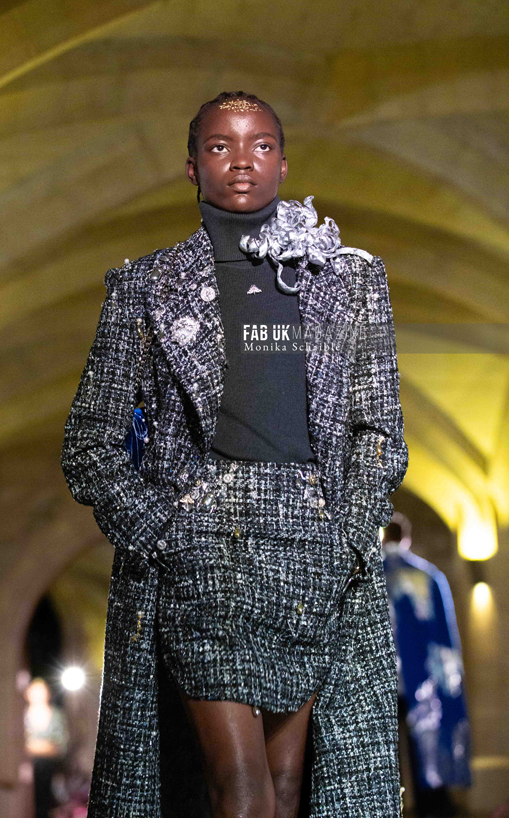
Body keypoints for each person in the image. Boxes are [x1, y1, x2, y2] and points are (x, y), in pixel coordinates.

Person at [61, 91, 408, 817]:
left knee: (287, 788)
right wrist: (167, 532)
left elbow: (378, 427)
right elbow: (89, 441)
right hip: (204, 553)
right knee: (241, 787)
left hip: (313, 552)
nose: (241, 161)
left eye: (260, 145)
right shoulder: (146, 287)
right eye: (220, 146)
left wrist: (348, 534)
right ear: (192, 166)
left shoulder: (350, 279)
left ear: (283, 163)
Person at [382, 514, 471, 818]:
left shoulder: (371, 576)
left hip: (382, 679)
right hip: (423, 679)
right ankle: (432, 807)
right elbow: (443, 637)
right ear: (406, 538)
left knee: (384, 751)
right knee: (427, 746)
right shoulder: (429, 576)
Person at [23, 678, 69, 818]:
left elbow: (61, 745)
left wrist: (36, 747)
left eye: (42, 692)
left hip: (51, 771)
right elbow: (18, 745)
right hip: (27, 773)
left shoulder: (57, 716)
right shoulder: (21, 716)